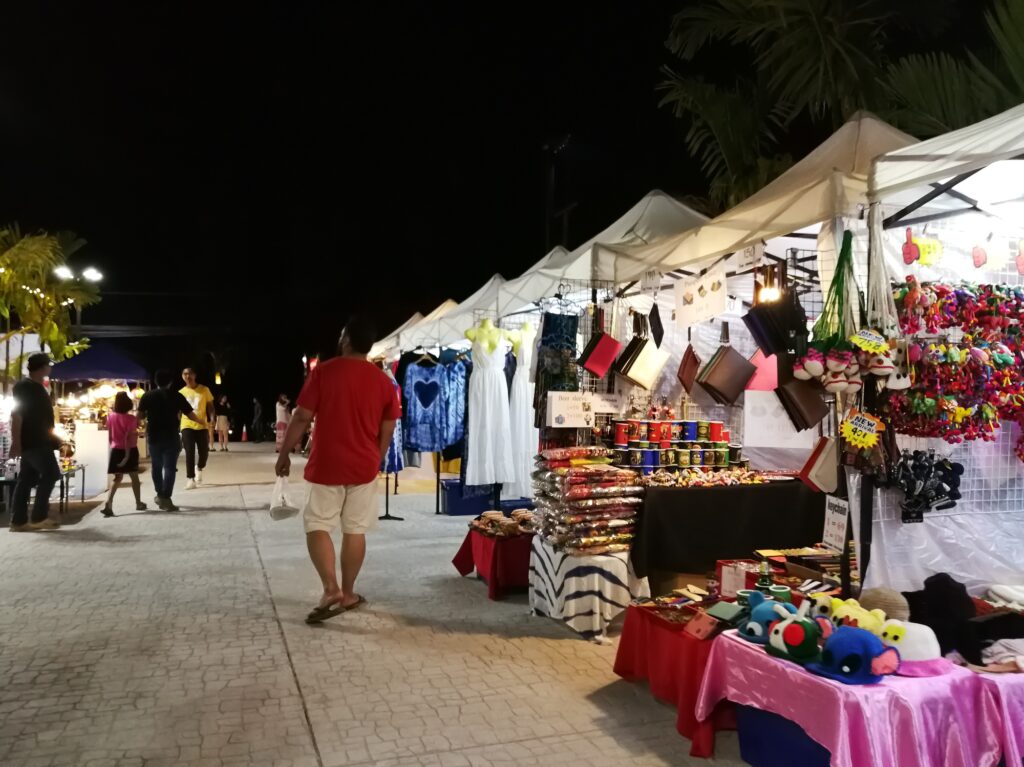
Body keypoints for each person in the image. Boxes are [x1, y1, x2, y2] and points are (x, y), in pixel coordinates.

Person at [276, 317, 399, 623]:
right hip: (363, 465)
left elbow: (302, 416)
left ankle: (330, 588)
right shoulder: (383, 381)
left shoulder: (325, 373)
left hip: (327, 463)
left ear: (345, 339)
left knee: (318, 523)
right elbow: (388, 425)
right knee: (355, 529)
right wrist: (378, 458)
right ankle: (348, 593)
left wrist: (285, 452)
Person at [9, 353, 62, 532]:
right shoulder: (26, 387)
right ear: (42, 367)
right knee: (51, 474)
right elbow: (17, 415)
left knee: (27, 479)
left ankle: (19, 521)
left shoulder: (36, 387)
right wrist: (16, 442)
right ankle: (39, 516)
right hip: (34, 441)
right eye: (48, 365)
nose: (50, 368)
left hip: (36, 440)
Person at [138, 369, 204, 511]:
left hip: (154, 436)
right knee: (169, 468)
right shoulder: (176, 395)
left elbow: (139, 416)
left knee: (156, 467)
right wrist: (201, 422)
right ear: (170, 382)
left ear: (155, 381)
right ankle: (165, 497)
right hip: (171, 436)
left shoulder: (147, 395)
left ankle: (160, 494)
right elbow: (190, 413)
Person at [102, 391, 146, 516]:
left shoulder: (110, 417)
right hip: (130, 450)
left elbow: (110, 434)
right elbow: (131, 434)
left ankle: (109, 502)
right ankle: (138, 503)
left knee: (117, 478)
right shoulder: (132, 419)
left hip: (116, 449)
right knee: (134, 477)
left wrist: (114, 444)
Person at [179, 368, 214, 489]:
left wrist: (212, 418)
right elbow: (178, 411)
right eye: (185, 374)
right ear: (182, 376)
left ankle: (199, 467)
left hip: (202, 425)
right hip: (186, 425)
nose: (187, 376)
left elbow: (210, 406)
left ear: (195, 375)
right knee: (189, 451)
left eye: (190, 373)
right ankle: (190, 479)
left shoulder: (204, 390)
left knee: (204, 452)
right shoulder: (181, 392)